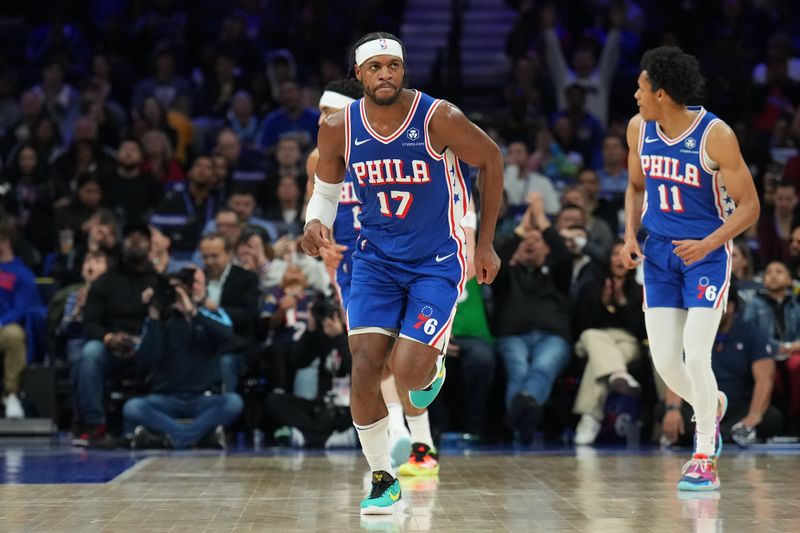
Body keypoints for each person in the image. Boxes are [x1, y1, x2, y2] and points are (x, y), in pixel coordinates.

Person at [302, 32, 503, 514]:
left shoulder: (439, 117)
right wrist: (315, 221)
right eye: (375, 68)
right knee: (365, 365)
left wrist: (487, 241)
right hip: (374, 259)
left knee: (410, 373)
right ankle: (381, 478)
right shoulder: (338, 128)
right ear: (360, 75)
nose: (385, 74)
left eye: (393, 66)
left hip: (437, 258)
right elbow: (327, 189)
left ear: (403, 70)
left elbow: (491, 159)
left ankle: (430, 367)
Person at [621, 46, 760, 491]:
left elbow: (751, 206)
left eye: (641, 87)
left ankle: (704, 453)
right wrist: (628, 236)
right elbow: (635, 186)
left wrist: (708, 244)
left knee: (697, 355)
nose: (635, 94)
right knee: (665, 361)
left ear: (661, 92)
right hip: (659, 254)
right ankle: (712, 402)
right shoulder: (638, 129)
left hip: (706, 254)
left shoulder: (715, 135)